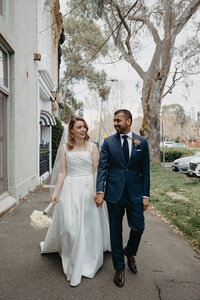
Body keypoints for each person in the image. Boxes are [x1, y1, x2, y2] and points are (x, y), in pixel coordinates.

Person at [40, 117, 110, 287]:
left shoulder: (92, 147)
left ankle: (86, 258)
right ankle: (72, 255)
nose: (83, 130)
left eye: (84, 127)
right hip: (70, 189)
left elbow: (96, 171)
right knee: (70, 226)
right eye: (79, 127)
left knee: (87, 225)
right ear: (71, 130)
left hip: (88, 188)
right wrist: (56, 193)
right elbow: (63, 172)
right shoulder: (65, 148)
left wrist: (97, 191)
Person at [95, 109, 150, 288]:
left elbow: (146, 171)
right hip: (114, 193)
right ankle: (119, 267)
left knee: (139, 227)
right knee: (115, 231)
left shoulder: (141, 142)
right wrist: (100, 191)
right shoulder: (108, 142)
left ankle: (130, 251)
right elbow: (102, 168)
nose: (115, 123)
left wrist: (145, 195)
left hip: (134, 193)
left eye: (118, 120)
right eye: (114, 121)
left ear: (129, 121)